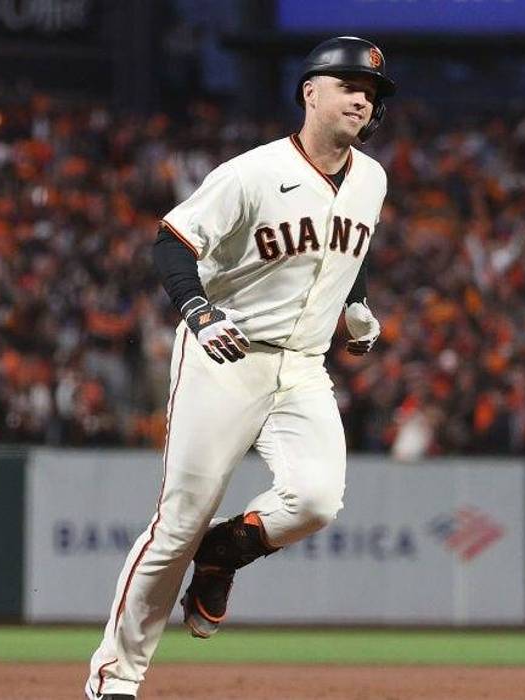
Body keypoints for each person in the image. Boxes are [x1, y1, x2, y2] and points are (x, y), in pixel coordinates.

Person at [84, 37, 394, 699]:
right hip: (225, 357)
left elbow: (350, 244)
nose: (361, 98)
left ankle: (223, 553)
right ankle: (116, 677)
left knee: (314, 500)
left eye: (369, 93)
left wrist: (358, 305)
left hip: (303, 366)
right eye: (347, 85)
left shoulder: (372, 178)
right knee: (177, 523)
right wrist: (197, 311)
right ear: (309, 92)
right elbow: (171, 242)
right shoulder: (251, 173)